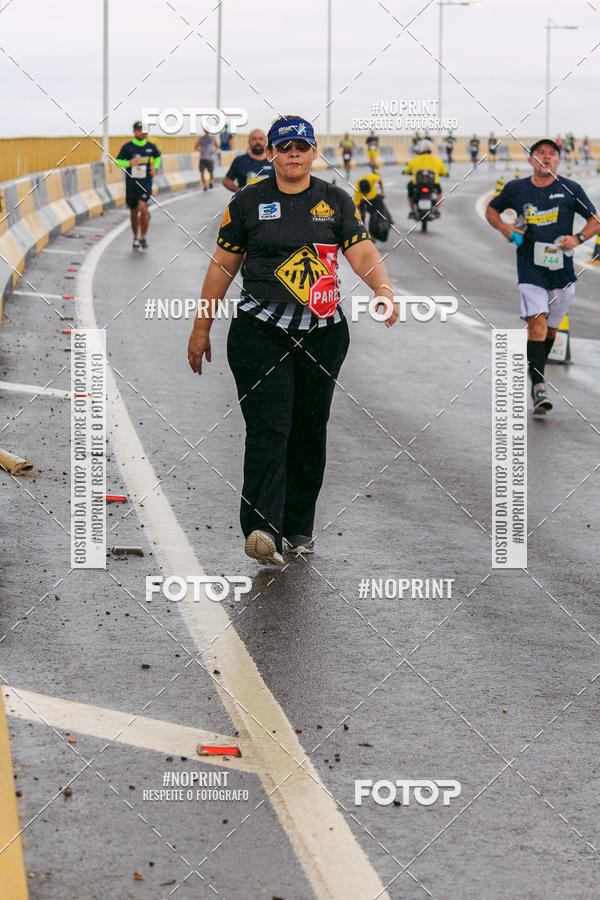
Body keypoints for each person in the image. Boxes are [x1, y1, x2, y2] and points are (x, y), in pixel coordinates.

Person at [187, 114, 399, 566]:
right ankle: (262, 529)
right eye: (285, 148)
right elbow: (222, 266)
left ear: (314, 152)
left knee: (308, 431)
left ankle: (299, 526)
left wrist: (382, 287)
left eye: (302, 147)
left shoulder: (334, 200)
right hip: (259, 334)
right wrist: (201, 327)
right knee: (269, 428)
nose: (294, 154)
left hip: (323, 336)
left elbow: (362, 250)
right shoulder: (247, 202)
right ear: (271, 154)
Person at [486, 138, 600, 414]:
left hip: (562, 271)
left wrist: (577, 238)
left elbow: (595, 221)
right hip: (530, 268)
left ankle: (536, 369)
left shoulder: (571, 189)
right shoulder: (516, 188)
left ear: (558, 161)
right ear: (531, 160)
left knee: (550, 330)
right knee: (536, 324)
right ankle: (538, 387)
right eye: (540, 153)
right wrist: (506, 229)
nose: (546, 157)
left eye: (551, 154)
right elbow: (491, 210)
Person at [115, 121, 161, 250]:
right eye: (139, 130)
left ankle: (143, 237)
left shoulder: (151, 146)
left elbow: (158, 157)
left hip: (145, 183)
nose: (141, 132)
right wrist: (129, 163)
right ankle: (135, 237)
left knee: (144, 209)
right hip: (132, 184)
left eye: (143, 130)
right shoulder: (127, 147)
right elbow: (117, 162)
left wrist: (155, 168)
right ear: (134, 131)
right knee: (134, 212)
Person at [402, 139, 448, 219]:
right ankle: (437, 210)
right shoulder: (437, 160)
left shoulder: (414, 159)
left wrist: (405, 172)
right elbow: (444, 172)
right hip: (432, 184)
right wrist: (446, 174)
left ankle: (412, 211)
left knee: (410, 192)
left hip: (417, 184)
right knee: (439, 193)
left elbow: (407, 171)